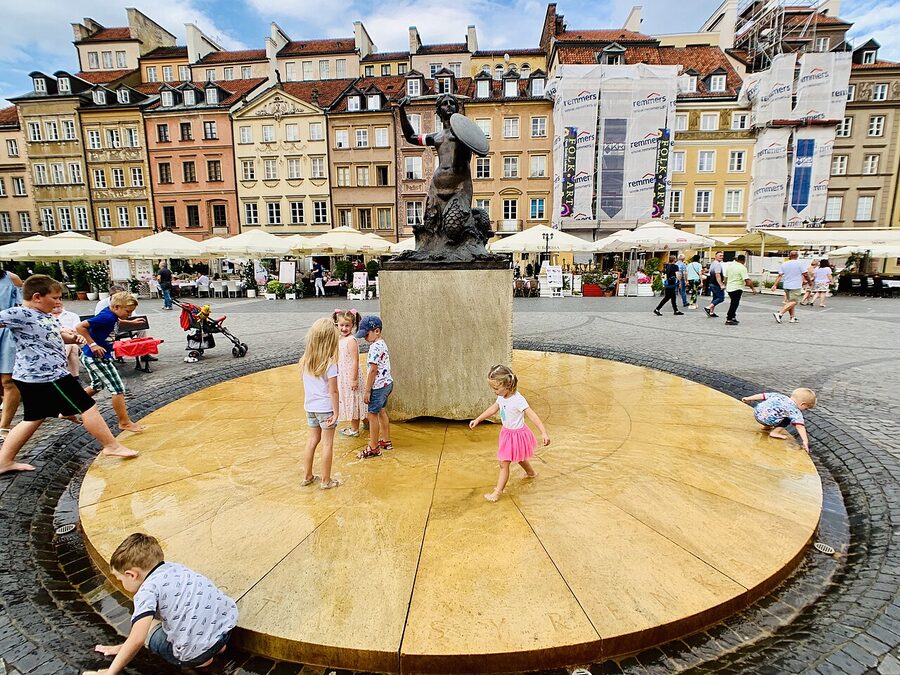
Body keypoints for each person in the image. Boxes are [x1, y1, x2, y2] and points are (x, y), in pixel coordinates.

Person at [0, 275, 137, 475]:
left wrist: (71, 337)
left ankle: (4, 460)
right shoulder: (21, 313)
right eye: (55, 298)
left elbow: (53, 335)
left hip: (38, 376)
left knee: (34, 417)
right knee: (88, 406)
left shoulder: (44, 315)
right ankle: (111, 445)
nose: (58, 302)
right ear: (37, 297)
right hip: (47, 375)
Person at [82, 532, 238, 674]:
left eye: (120, 579)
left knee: (147, 626)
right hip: (225, 630)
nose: (120, 582)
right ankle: (215, 648)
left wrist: (110, 672)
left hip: (195, 654)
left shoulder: (146, 592)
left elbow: (137, 639)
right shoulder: (176, 568)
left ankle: (200, 660)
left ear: (131, 575)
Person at [470, 365, 550, 503]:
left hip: (517, 435)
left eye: (496, 388)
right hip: (507, 433)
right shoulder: (502, 396)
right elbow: (494, 408)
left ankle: (497, 493)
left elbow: (532, 415)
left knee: (503, 464)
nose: (493, 391)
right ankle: (531, 473)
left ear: (508, 385)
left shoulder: (518, 400)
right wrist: (478, 419)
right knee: (519, 457)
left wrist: (543, 432)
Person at [75, 292, 147, 433]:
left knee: (97, 385)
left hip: (92, 357)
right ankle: (124, 422)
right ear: (116, 307)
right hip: (97, 358)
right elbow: (80, 327)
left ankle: (69, 407)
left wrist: (130, 322)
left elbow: (116, 321)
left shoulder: (111, 314)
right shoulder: (106, 317)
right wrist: (93, 344)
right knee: (118, 388)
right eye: (128, 312)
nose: (129, 314)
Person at [299, 318, 341, 489]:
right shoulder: (330, 364)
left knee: (312, 441)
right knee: (327, 443)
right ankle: (326, 480)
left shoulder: (305, 360)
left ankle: (307, 476)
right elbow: (333, 391)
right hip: (326, 409)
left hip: (310, 407)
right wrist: (337, 412)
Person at [357, 315, 393, 459]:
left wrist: (367, 390)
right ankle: (386, 440)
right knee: (382, 411)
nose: (365, 337)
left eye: (366, 334)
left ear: (376, 331)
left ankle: (373, 447)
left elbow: (373, 370)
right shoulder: (382, 344)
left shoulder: (374, 347)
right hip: (387, 384)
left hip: (377, 387)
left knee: (372, 415)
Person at [740, 388, 816, 453]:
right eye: (806, 408)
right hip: (767, 420)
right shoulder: (794, 411)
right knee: (787, 419)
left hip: (757, 413)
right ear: (803, 404)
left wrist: (748, 398)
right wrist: (805, 441)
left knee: (776, 412)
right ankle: (775, 432)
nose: (805, 410)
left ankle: (766, 427)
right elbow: (800, 426)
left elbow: (763, 395)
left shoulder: (780, 396)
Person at [333, 309, 366, 438]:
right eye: (342, 325)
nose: (344, 328)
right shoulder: (340, 339)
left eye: (347, 325)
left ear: (353, 325)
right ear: (337, 324)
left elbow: (355, 361)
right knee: (355, 401)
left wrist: (354, 379)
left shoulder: (351, 340)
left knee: (354, 401)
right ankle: (366, 422)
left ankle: (354, 429)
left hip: (351, 376)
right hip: (343, 375)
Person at [0, 267, 24, 444]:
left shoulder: (11, 279)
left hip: (6, 333)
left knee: (9, 381)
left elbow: (24, 308)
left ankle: (4, 426)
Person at [772, 251, 809, 324]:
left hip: (786, 285)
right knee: (794, 301)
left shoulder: (784, 264)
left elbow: (780, 275)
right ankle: (780, 313)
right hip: (795, 285)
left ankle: (792, 317)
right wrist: (809, 282)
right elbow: (805, 274)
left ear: (789, 255)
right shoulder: (800, 263)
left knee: (790, 302)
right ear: (797, 256)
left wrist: (775, 284)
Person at [724, 254, 757, 325]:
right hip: (737, 287)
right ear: (744, 260)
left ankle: (733, 317)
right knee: (734, 304)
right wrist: (753, 288)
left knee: (733, 302)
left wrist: (726, 285)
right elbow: (747, 280)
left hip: (729, 288)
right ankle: (729, 318)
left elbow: (725, 278)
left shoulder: (730, 267)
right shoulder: (742, 268)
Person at [51, 302, 82, 377]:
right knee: (72, 347)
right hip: (52, 343)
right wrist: (62, 330)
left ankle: (59, 366)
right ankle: (75, 376)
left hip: (71, 341)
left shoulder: (72, 315)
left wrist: (66, 332)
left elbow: (76, 332)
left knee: (72, 345)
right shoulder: (45, 316)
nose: (57, 304)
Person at [704, 251, 727, 318]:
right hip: (716, 284)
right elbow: (717, 275)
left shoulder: (713, 263)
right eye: (720, 255)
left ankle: (711, 312)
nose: (722, 257)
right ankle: (708, 307)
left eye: (722, 255)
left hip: (711, 283)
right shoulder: (717, 264)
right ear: (716, 256)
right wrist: (721, 284)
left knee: (715, 298)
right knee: (721, 298)